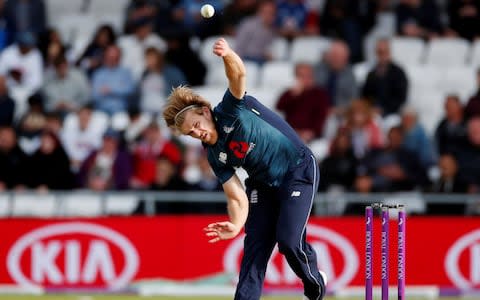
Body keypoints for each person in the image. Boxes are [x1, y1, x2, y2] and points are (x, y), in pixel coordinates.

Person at [162, 38, 327, 300]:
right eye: (190, 133)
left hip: (297, 170)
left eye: (196, 124)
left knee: (289, 242)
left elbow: (238, 74)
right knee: (254, 250)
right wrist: (236, 223)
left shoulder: (229, 111)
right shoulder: (215, 155)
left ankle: (315, 284)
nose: (197, 133)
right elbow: (236, 194)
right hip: (262, 184)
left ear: (205, 111)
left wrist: (227, 54)